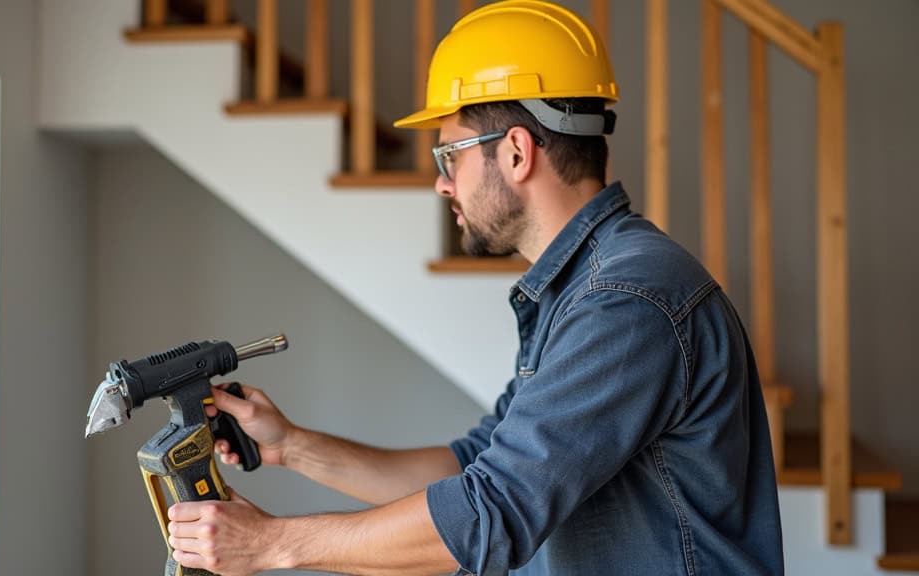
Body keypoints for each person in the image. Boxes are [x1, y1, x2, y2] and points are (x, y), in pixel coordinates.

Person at [165, 1, 784, 574]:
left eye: (448, 157)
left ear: (516, 153)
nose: (441, 185)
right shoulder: (580, 291)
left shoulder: (623, 299)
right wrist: (296, 447)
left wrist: (272, 544)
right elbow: (470, 468)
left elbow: (491, 514)